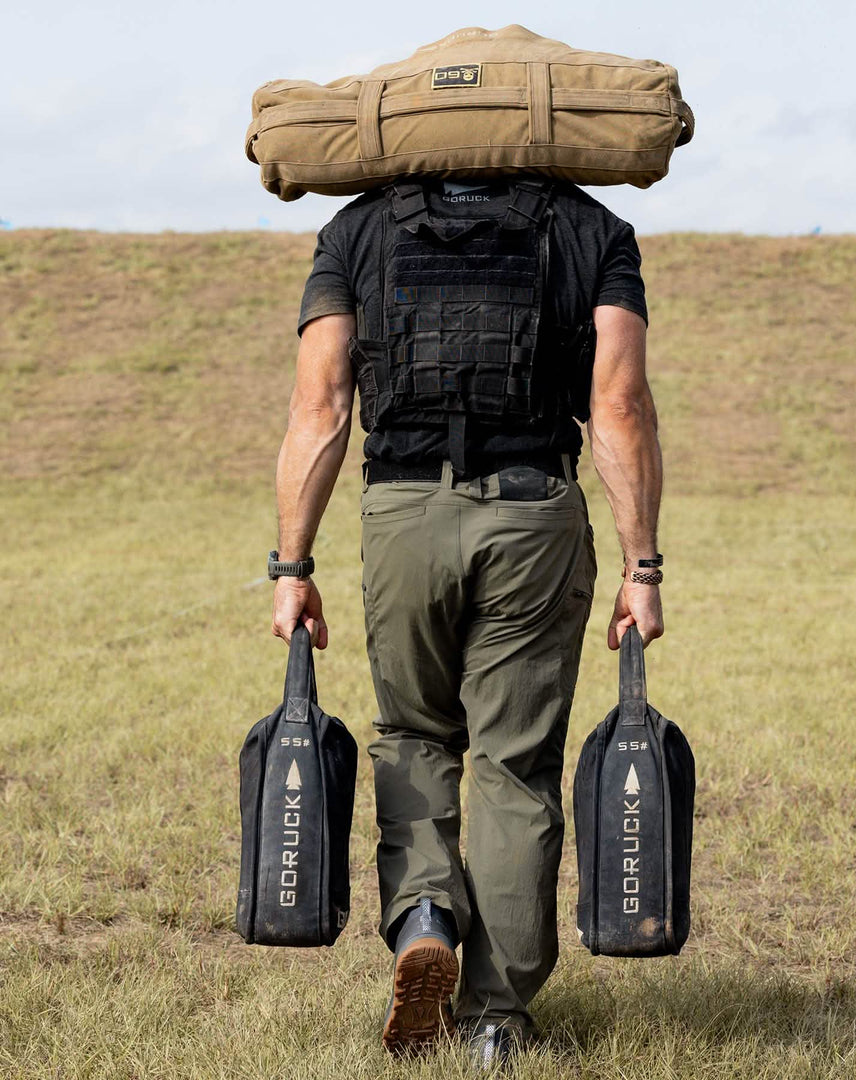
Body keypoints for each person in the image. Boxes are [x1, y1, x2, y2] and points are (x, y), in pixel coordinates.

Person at [269, 175, 663, 1069]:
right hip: (533, 517)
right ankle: (495, 1018)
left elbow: (321, 406)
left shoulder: (357, 229)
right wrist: (642, 568)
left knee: (412, 735)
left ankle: (422, 916)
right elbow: (619, 405)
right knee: (513, 765)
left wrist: (292, 567)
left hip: (401, 517)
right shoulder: (594, 228)